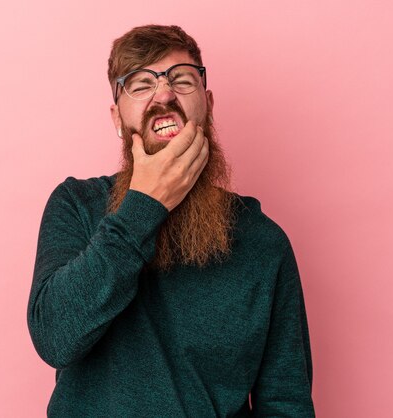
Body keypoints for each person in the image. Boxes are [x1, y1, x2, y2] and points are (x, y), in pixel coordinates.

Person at [27, 24, 315, 417]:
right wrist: (145, 205)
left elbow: (287, 404)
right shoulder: (77, 206)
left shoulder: (264, 243)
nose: (164, 94)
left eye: (181, 79)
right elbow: (55, 338)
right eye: (141, 85)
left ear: (208, 103)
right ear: (116, 118)